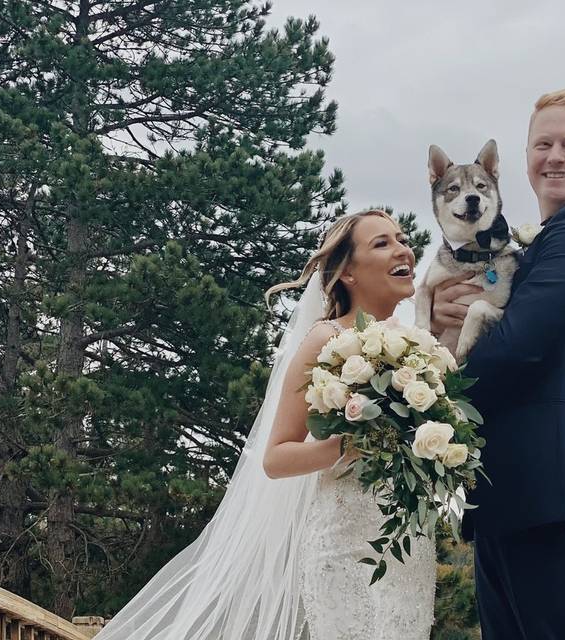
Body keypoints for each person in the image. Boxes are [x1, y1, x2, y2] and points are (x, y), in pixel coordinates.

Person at [95, 210, 435, 640]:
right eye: (382, 243)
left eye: (402, 239)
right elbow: (276, 457)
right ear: (347, 271)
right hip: (345, 547)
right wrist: (350, 445)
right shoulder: (325, 339)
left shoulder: (421, 347)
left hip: (408, 543)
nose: (403, 249)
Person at [430, 88, 565, 640]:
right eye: (543, 144)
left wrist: (425, 401)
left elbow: (519, 344)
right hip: (518, 498)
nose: (556, 156)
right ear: (526, 160)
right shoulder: (537, 246)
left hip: (554, 498)